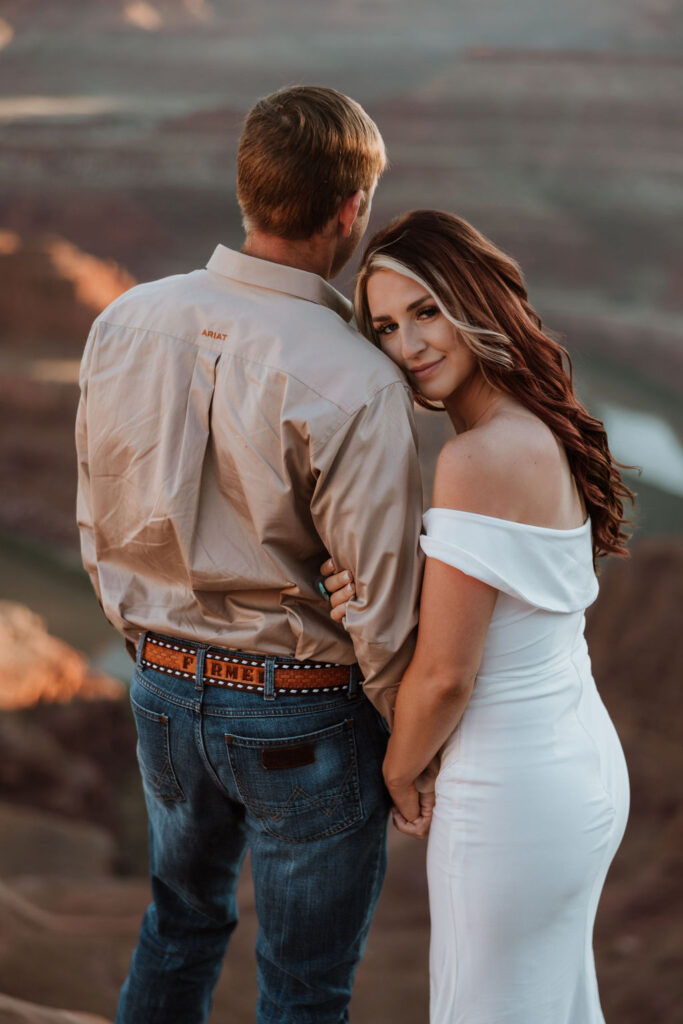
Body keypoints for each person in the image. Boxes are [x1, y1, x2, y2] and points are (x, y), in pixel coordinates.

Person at [75, 86, 425, 1024]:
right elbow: (384, 602)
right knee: (304, 986)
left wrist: (148, 638)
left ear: (248, 189)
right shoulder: (357, 377)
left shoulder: (127, 320)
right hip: (301, 711)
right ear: (350, 210)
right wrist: (405, 745)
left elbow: (94, 512)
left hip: (160, 683)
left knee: (176, 928)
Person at [323, 209, 632, 1023]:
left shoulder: (472, 459)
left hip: (511, 793)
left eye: (426, 311)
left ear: (475, 299)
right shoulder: (539, 429)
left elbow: (449, 675)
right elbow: (489, 630)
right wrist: (370, 609)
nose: (408, 345)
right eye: (385, 326)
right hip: (577, 765)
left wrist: (398, 773)